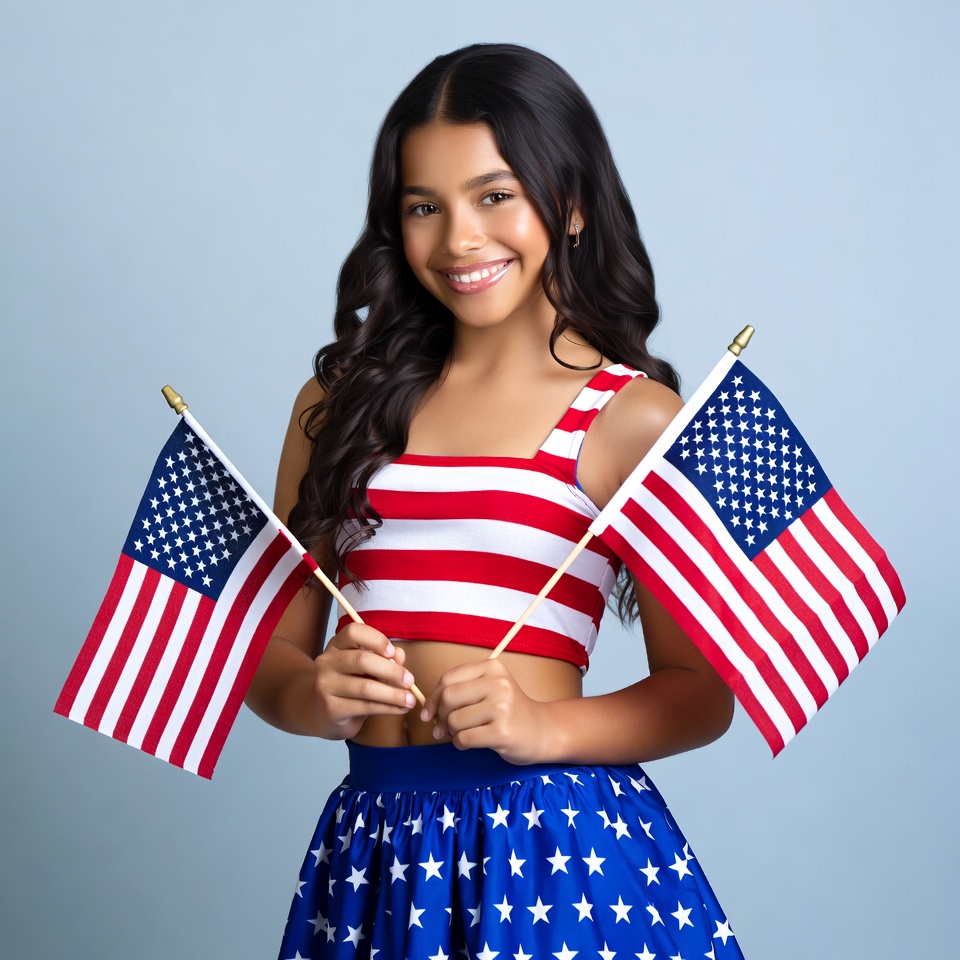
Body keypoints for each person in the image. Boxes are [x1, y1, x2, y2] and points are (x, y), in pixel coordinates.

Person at [247, 43, 746, 960]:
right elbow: (269, 653)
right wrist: (311, 696)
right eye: (423, 207)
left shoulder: (631, 419)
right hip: (376, 853)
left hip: (550, 848)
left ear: (574, 201)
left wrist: (545, 725)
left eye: (494, 195)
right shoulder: (335, 408)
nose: (460, 240)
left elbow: (701, 695)